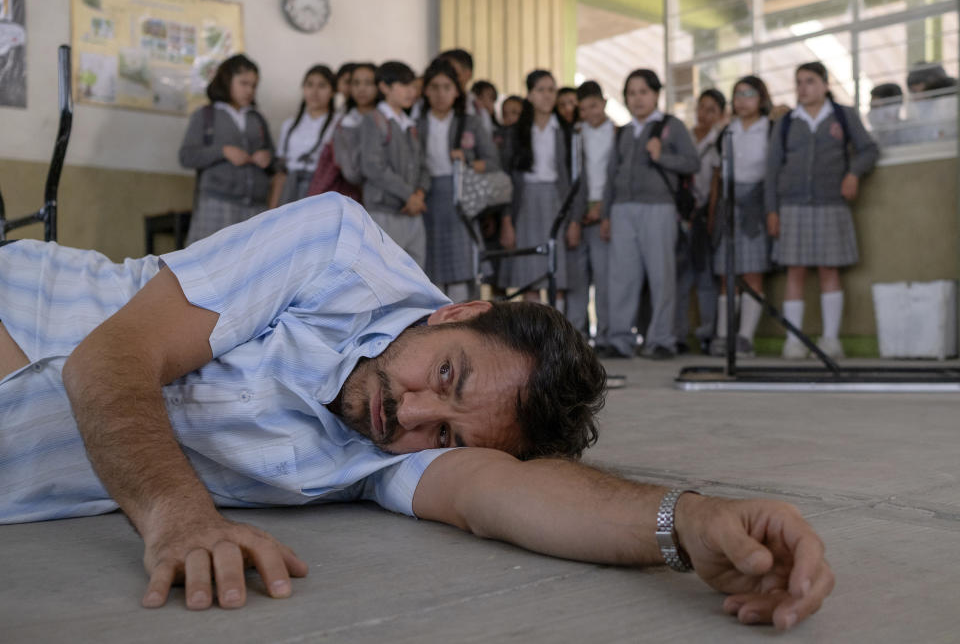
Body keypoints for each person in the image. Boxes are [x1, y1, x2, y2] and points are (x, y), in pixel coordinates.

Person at [0, 196, 833, 629]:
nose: (412, 416)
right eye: (448, 376)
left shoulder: (393, 452)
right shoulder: (335, 247)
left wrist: (685, 521)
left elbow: (503, 495)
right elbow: (106, 362)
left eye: (447, 434)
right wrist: (180, 518)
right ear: (453, 312)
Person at [765, 62, 878, 359]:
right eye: (799, 82)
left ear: (825, 85)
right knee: (795, 271)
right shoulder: (787, 122)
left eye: (810, 81)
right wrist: (772, 210)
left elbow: (868, 149)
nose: (803, 88)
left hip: (831, 203)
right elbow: (772, 168)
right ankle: (794, 340)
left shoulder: (843, 116)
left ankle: (830, 339)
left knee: (829, 270)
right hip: (792, 206)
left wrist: (853, 173)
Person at [602, 69, 700, 360]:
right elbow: (611, 176)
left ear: (656, 94)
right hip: (622, 210)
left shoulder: (672, 126)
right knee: (622, 277)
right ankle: (619, 339)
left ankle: (661, 339)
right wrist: (607, 214)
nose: (637, 98)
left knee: (662, 276)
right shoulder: (623, 131)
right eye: (631, 93)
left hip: (659, 208)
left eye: (643, 91)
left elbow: (692, 163)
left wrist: (661, 157)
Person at [498, 70, 585, 306]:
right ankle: (533, 340)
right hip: (525, 205)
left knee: (557, 278)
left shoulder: (567, 132)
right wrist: (507, 220)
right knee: (530, 278)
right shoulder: (516, 133)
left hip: (558, 202)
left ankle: (558, 338)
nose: (547, 96)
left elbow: (578, 179)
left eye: (551, 90)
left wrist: (575, 220)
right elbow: (505, 180)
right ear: (529, 95)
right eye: (540, 90)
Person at [419, 59, 500, 301]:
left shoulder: (469, 122)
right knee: (431, 268)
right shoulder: (417, 123)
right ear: (425, 91)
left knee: (462, 268)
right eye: (434, 87)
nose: (440, 93)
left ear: (456, 91)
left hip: (460, 197)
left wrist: (467, 162)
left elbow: (493, 161)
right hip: (427, 198)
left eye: (446, 87)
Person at [707, 77, 774, 358]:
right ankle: (724, 336)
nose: (742, 100)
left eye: (749, 94)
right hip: (729, 202)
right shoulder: (726, 131)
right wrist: (713, 213)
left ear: (761, 97)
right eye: (737, 95)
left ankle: (745, 337)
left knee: (752, 272)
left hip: (756, 202)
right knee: (727, 273)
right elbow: (717, 175)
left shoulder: (771, 128)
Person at [179, 53, 274, 245]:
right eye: (243, 83)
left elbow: (275, 160)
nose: (249, 90)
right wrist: (223, 151)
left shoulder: (257, 119)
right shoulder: (206, 115)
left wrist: (268, 158)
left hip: (255, 209)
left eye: (254, 85)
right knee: (209, 264)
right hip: (217, 205)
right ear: (226, 81)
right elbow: (186, 156)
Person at [358, 60, 428, 267]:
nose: (411, 92)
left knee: (417, 275)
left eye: (413, 86)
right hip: (385, 211)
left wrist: (419, 195)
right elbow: (372, 166)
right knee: (386, 274)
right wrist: (409, 195)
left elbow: (424, 166)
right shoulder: (374, 120)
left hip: (413, 210)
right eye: (404, 85)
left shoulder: (409, 124)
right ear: (384, 87)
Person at [565, 80, 614, 353]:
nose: (589, 113)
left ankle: (606, 334)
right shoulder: (576, 134)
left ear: (604, 103)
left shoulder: (619, 133)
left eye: (593, 106)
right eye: (583, 109)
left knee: (605, 276)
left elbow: (616, 176)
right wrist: (576, 215)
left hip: (604, 210)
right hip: (579, 211)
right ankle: (576, 336)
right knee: (577, 278)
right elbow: (575, 178)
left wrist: (603, 209)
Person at [675, 88, 723, 355]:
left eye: (711, 110)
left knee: (705, 278)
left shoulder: (718, 142)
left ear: (720, 114)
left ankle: (707, 333)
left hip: (703, 215)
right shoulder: (686, 138)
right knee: (681, 277)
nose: (703, 114)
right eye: (701, 108)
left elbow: (715, 183)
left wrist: (709, 217)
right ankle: (679, 333)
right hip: (682, 215)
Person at [269, 64, 340, 208]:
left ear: (332, 91)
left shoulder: (339, 124)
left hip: (323, 188)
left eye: (322, 86)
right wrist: (273, 206)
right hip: (290, 188)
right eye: (309, 85)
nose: (314, 92)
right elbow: (281, 171)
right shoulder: (289, 125)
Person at [333, 61, 378, 188]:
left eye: (368, 83)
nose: (361, 89)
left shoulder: (387, 120)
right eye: (356, 83)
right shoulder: (344, 123)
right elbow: (349, 170)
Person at [867, 83, 903, 148]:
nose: (872, 112)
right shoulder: (869, 138)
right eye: (872, 107)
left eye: (876, 107)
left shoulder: (907, 131)